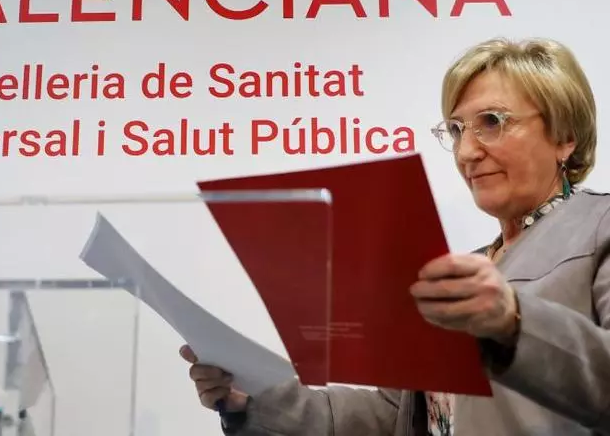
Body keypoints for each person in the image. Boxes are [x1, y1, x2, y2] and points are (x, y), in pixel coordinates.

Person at [180, 37, 610, 435]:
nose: (466, 152)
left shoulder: (600, 225)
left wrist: (514, 322)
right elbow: (394, 415)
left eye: (492, 122)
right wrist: (255, 398)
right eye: (456, 130)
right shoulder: (464, 271)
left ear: (564, 137)